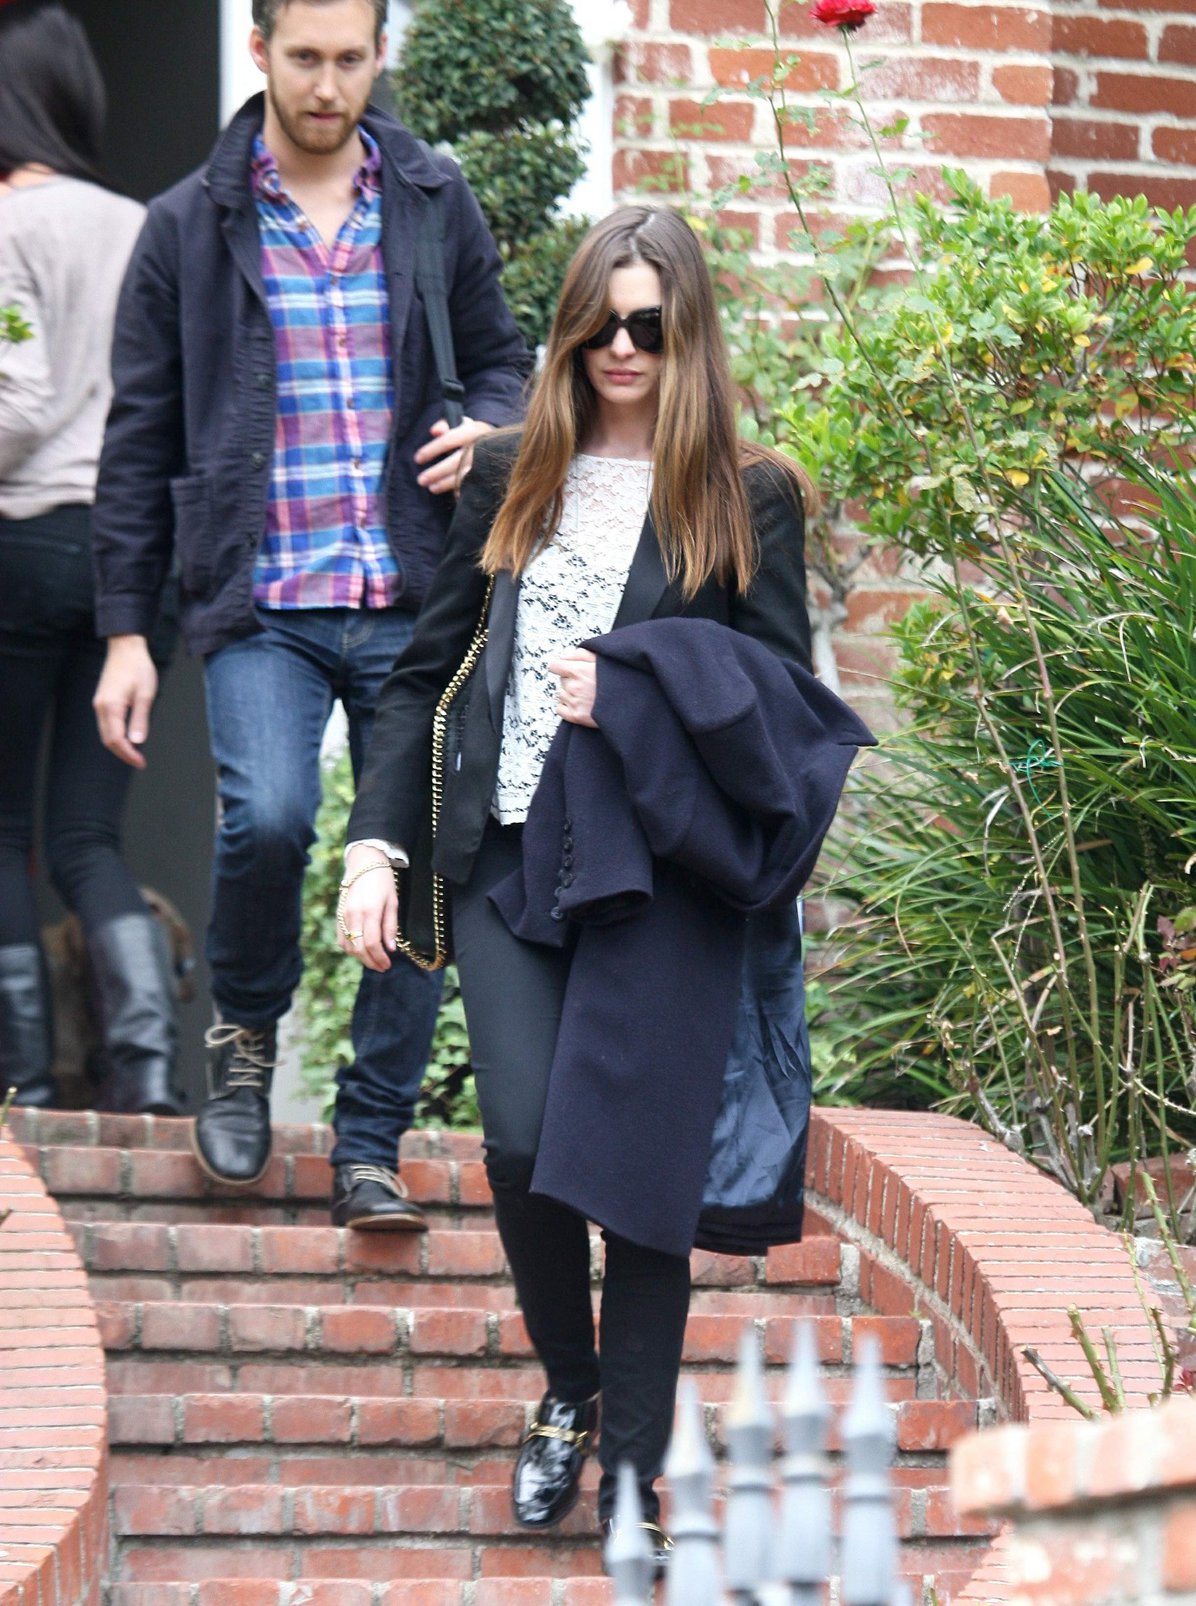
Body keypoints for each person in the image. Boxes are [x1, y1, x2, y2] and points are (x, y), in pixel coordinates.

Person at [338, 205, 845, 1561]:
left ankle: (631, 1473)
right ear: (570, 327)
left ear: (689, 335)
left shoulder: (752, 495)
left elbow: (784, 707)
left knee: (642, 1183)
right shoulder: (514, 470)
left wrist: (632, 696)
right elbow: (420, 670)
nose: (622, 347)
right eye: (601, 321)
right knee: (519, 1141)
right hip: (511, 857)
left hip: (658, 875)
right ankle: (568, 1382)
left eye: (651, 325)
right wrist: (375, 842)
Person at [90, 0, 528, 1224]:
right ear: (260, 52)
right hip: (262, 597)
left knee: (418, 856)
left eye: (349, 59)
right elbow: (138, 439)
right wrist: (129, 632)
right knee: (270, 818)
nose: (328, 84)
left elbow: (502, 355)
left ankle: (372, 1135)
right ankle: (241, 1036)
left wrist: (490, 425)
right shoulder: (187, 226)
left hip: (411, 593)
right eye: (305, 58)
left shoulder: (434, 200)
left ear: (378, 55)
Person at [0, 0, 182, 1116]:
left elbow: (14, 400)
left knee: (1, 828)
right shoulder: (146, 225)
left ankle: (22, 1078)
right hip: (133, 564)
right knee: (84, 833)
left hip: (23, 544)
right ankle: (150, 1069)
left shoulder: (6, 227)